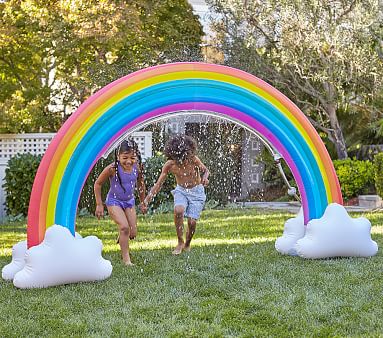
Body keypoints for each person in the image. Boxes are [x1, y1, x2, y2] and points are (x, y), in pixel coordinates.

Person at [144, 134, 209, 255]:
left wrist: (205, 177)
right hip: (181, 191)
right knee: (178, 210)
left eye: (185, 159)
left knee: (192, 222)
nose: (183, 162)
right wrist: (147, 200)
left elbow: (205, 170)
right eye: (179, 160)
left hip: (197, 192)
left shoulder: (193, 159)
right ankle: (180, 241)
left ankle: (187, 243)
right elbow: (158, 184)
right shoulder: (170, 165)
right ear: (173, 156)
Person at [94, 139, 147, 266]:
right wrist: (99, 204)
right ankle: (126, 260)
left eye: (132, 157)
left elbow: (141, 184)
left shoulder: (137, 168)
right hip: (114, 202)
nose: (129, 161)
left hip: (129, 202)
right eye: (125, 157)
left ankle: (123, 235)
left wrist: (143, 201)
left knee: (132, 233)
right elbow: (98, 184)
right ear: (118, 156)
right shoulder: (112, 168)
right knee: (124, 227)